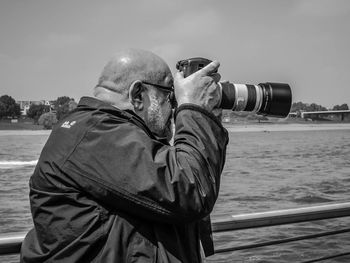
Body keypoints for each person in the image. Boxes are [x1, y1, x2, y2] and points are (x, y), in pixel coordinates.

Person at [20, 49, 228, 262]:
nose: (174, 106)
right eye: (169, 96)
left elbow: (175, 190)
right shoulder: (96, 135)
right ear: (138, 95)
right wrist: (195, 110)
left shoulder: (99, 130)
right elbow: (190, 191)